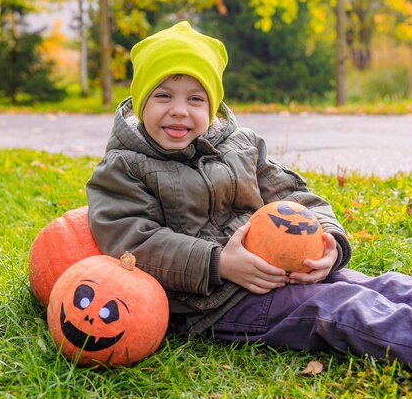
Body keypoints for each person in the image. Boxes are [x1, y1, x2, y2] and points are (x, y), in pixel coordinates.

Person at [87, 20, 412, 367]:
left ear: (211, 107)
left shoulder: (241, 144)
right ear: (140, 104)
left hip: (279, 266)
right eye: (163, 95)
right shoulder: (124, 166)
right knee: (341, 306)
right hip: (214, 302)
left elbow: (291, 193)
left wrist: (329, 241)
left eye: (196, 98)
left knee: (382, 285)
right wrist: (219, 263)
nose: (180, 109)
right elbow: (132, 241)